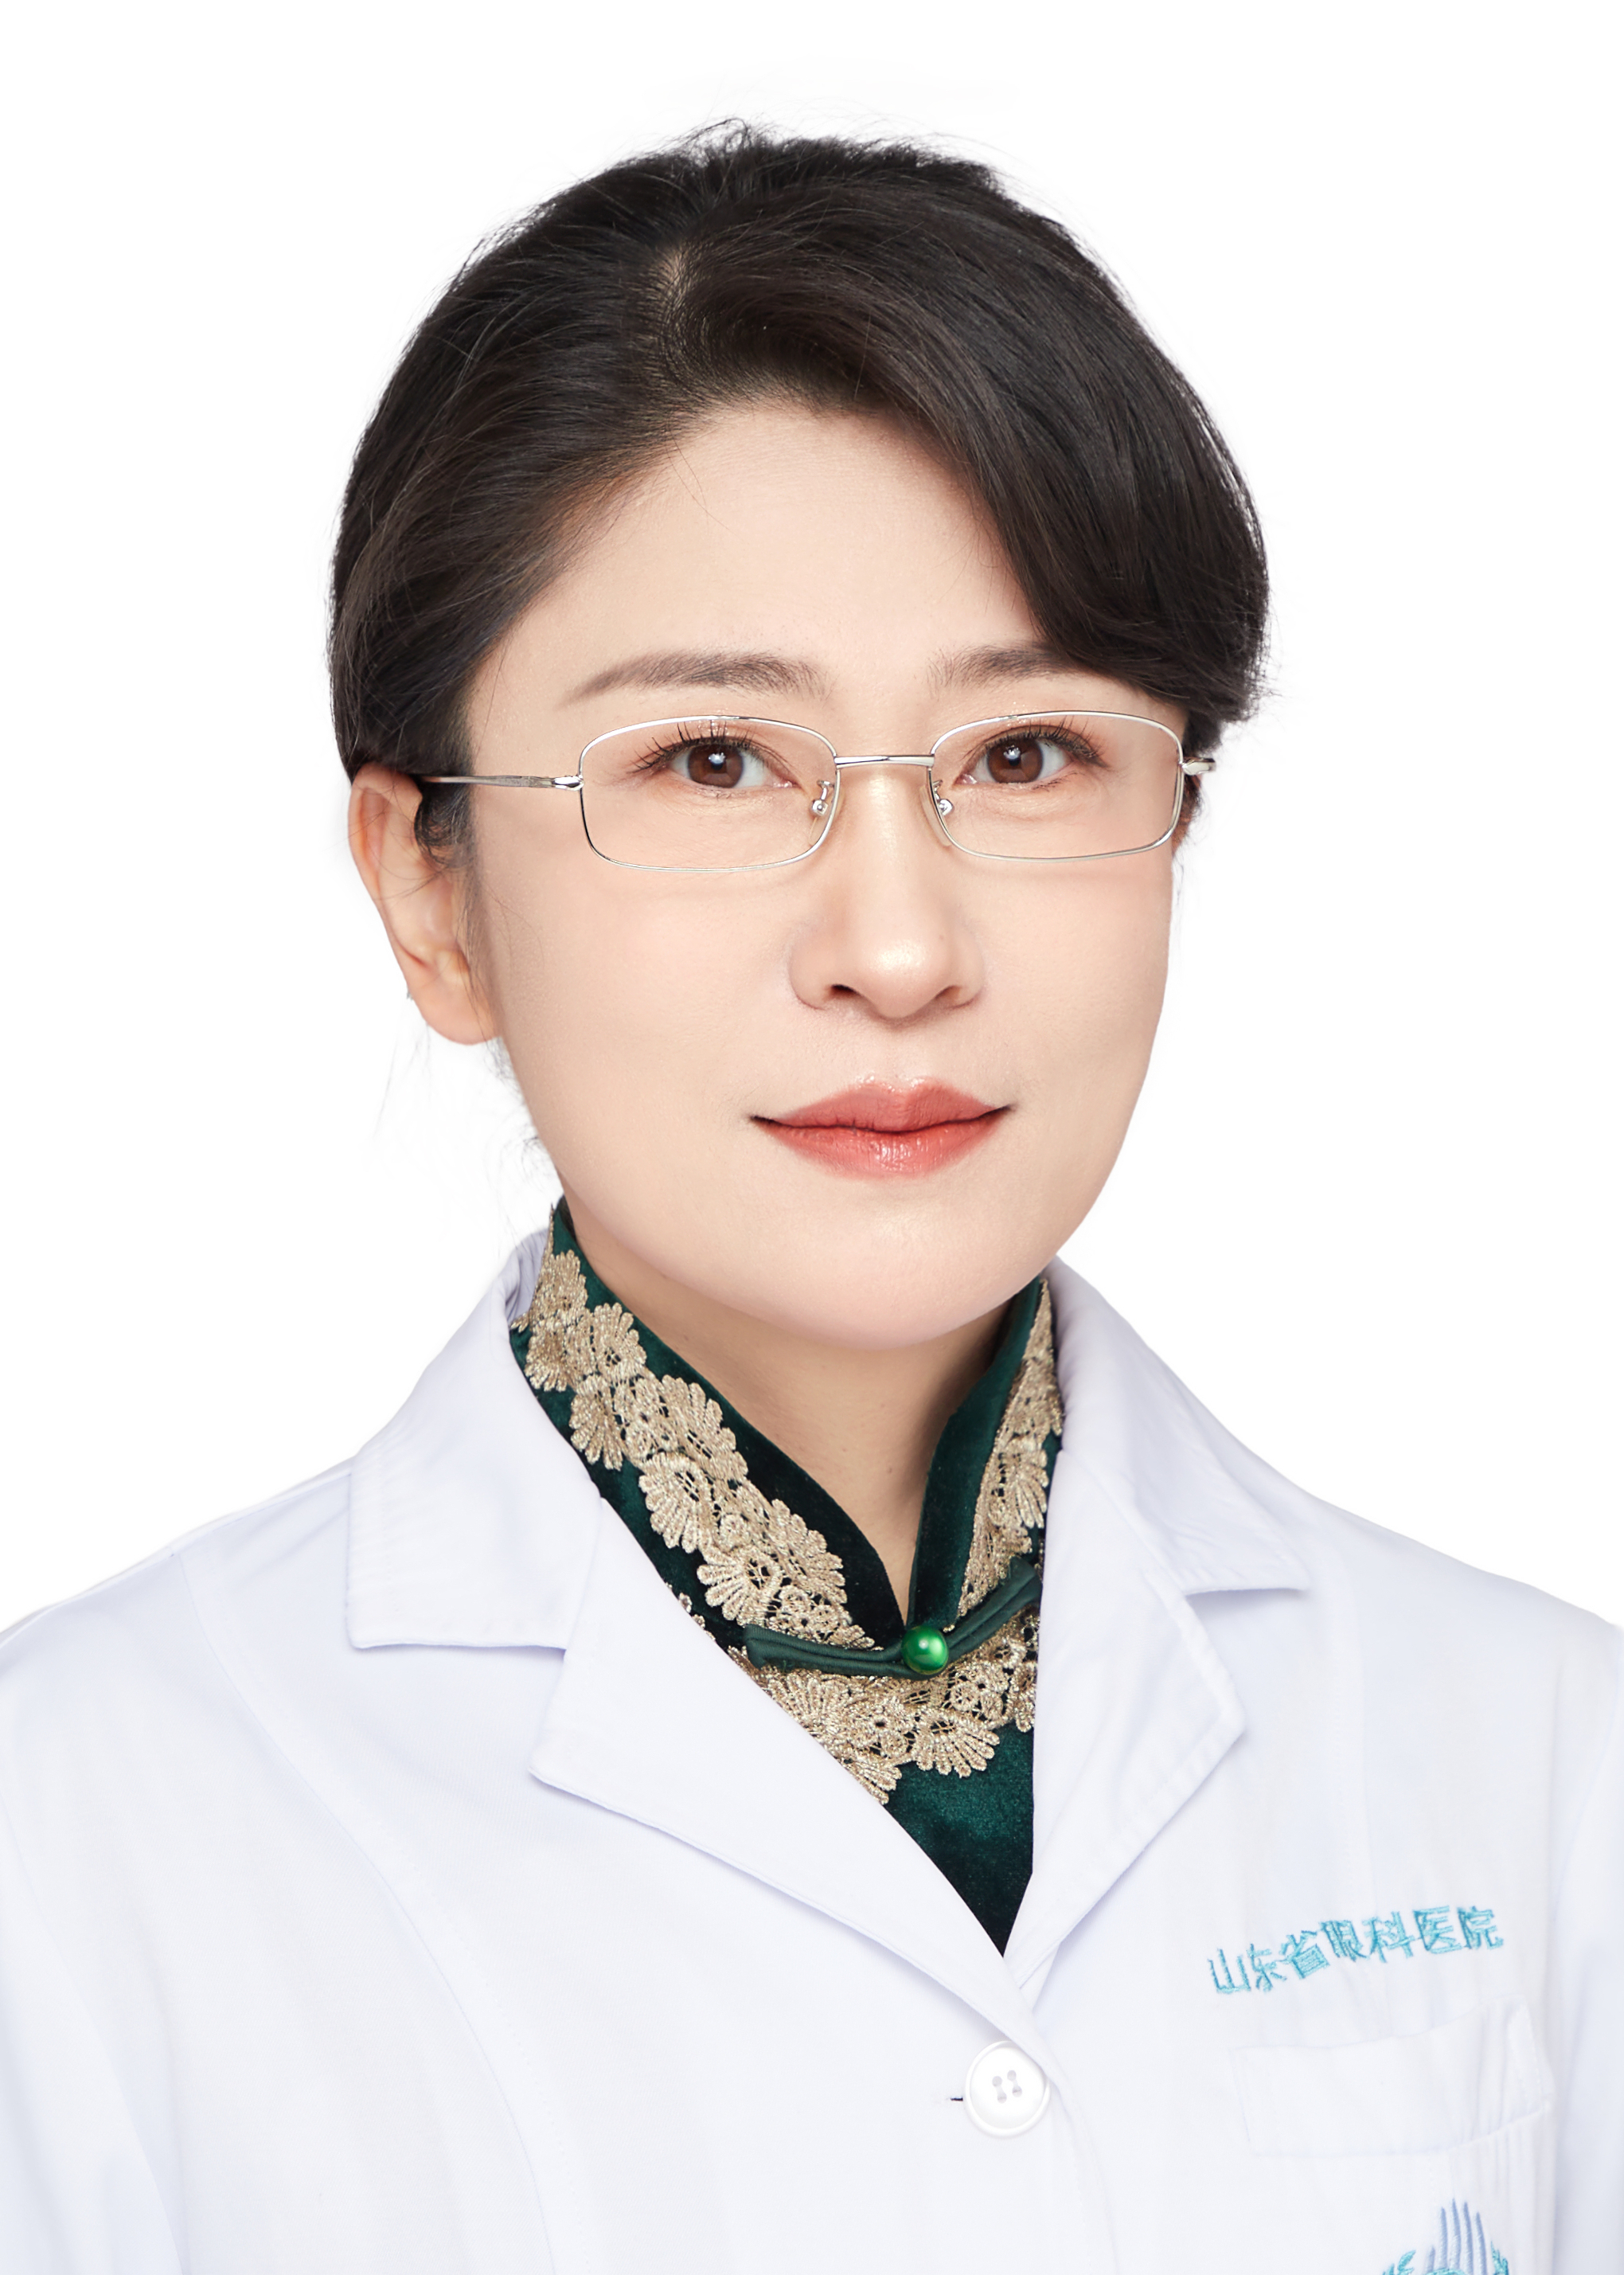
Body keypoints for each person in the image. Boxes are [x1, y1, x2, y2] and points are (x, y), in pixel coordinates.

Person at [0, 127, 1616, 2275]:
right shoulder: (72, 1845)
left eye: (1027, 755)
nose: (899, 945)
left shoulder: (1541, 1756)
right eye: (713, 761)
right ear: (430, 890)